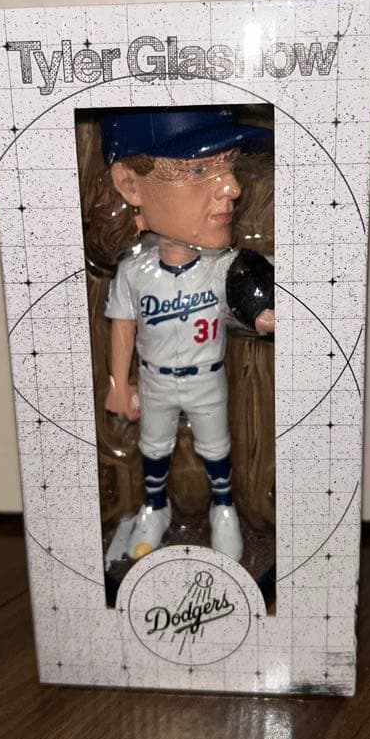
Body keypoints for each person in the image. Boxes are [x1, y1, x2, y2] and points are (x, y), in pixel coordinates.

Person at [88, 106, 274, 563]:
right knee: (154, 447)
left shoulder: (223, 268)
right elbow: (123, 326)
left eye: (230, 165)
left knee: (216, 448)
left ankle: (224, 511)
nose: (233, 188)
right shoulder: (134, 270)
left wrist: (269, 318)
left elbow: (250, 302)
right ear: (130, 185)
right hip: (155, 380)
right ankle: (154, 509)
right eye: (198, 169)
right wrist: (117, 384)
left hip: (206, 379)